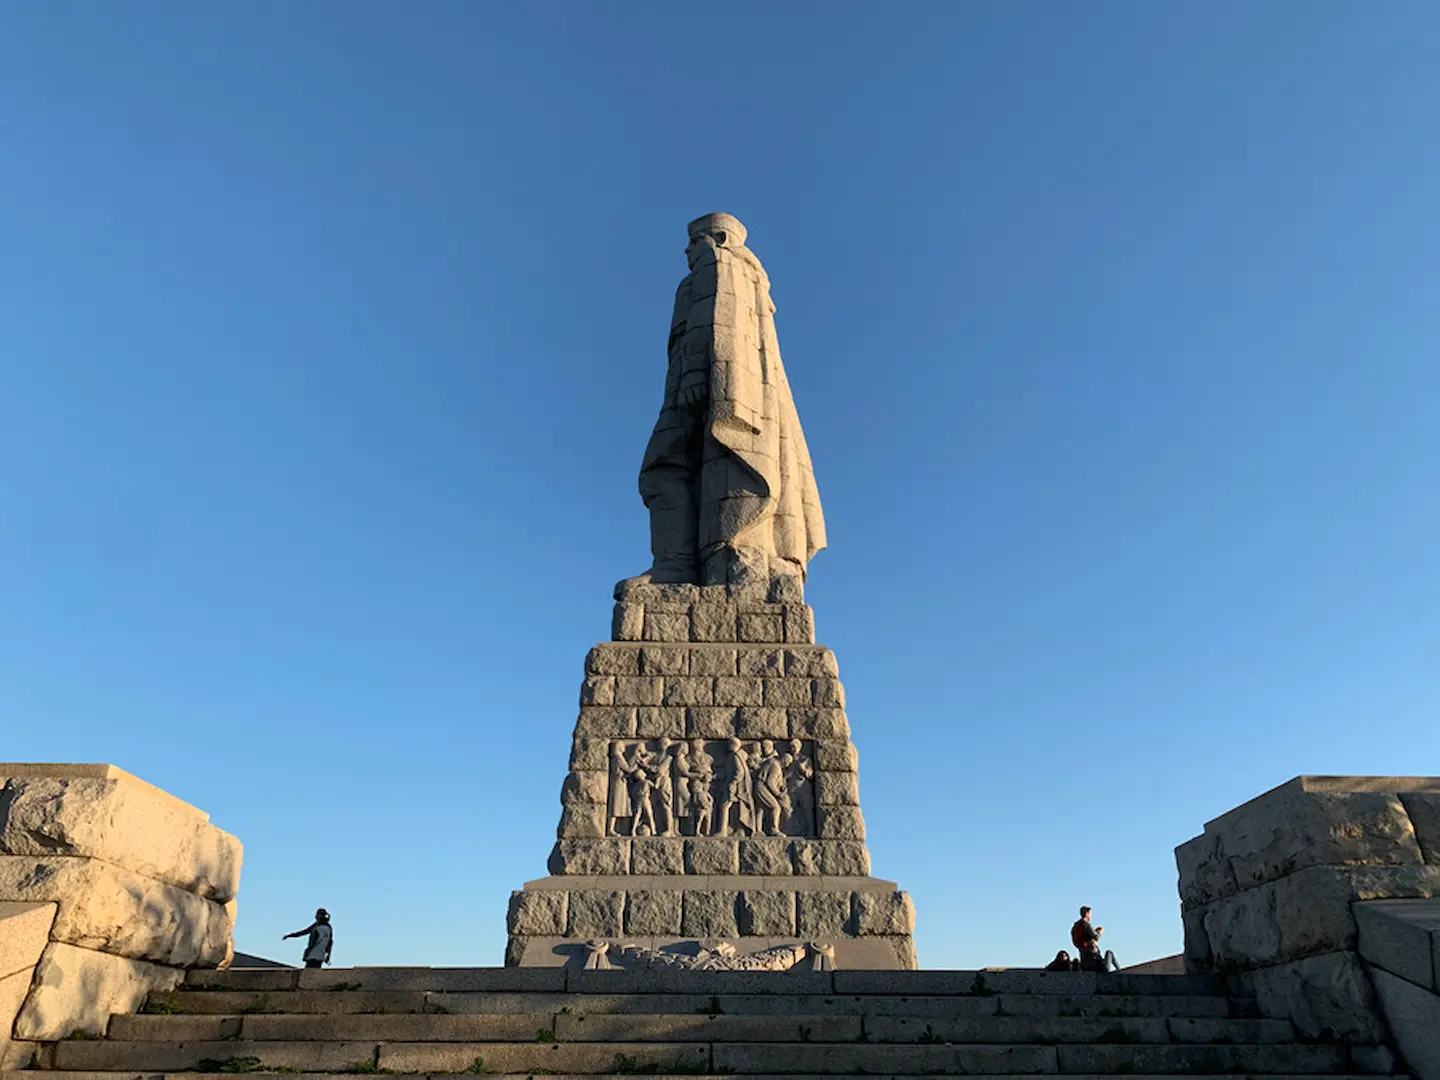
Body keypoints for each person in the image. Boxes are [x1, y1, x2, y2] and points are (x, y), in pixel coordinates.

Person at [1071, 905, 1120, 972]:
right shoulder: (1086, 924)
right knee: (1109, 953)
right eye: (1090, 914)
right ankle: (1120, 971)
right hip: (1094, 957)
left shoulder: (1076, 926)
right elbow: (1095, 937)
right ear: (1087, 914)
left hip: (1083, 958)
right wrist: (1100, 932)